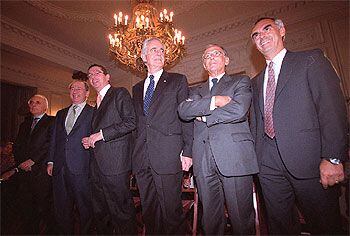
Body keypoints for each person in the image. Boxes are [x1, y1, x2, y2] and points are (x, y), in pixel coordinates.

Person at [249, 17, 348, 234]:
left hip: (310, 163)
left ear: (282, 30)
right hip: (269, 167)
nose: (261, 36)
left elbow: (332, 109)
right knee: (280, 227)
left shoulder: (311, 60)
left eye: (267, 29)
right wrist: (258, 162)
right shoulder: (255, 81)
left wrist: (332, 157)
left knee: (326, 226)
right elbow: (257, 124)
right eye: (256, 35)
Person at [178, 44, 258, 235]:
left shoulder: (241, 82)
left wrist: (204, 114)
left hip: (235, 157)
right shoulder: (195, 91)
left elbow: (239, 110)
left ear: (226, 60)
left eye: (216, 54)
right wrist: (216, 101)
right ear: (204, 64)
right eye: (207, 56)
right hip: (203, 159)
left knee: (241, 218)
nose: (211, 57)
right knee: (211, 220)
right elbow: (184, 110)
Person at [132, 37, 193, 234]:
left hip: (168, 156)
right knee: (150, 213)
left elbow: (186, 117)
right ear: (143, 56)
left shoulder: (177, 80)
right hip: (142, 158)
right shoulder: (136, 88)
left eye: (162, 50)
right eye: (154, 49)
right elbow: (138, 124)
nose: (159, 53)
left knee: (171, 213)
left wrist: (188, 151)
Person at [82, 64, 137, 234]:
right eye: (89, 75)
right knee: (101, 212)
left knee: (120, 211)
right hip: (97, 165)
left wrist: (99, 135)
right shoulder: (96, 103)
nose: (93, 77)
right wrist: (90, 140)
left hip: (115, 163)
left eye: (97, 73)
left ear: (107, 77)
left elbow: (130, 122)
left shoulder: (119, 93)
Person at [47, 80, 93, 234]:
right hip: (59, 168)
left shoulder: (94, 113)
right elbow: (54, 139)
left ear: (87, 93)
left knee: (84, 209)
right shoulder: (60, 113)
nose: (74, 91)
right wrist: (51, 161)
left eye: (79, 88)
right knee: (61, 208)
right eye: (72, 88)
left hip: (82, 169)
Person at [13, 94, 55, 234]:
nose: (33, 104)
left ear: (45, 107)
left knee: (44, 208)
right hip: (24, 173)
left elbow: (50, 145)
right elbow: (17, 146)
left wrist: (33, 160)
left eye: (37, 102)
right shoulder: (24, 124)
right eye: (31, 102)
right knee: (27, 208)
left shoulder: (52, 122)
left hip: (41, 172)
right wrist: (20, 163)